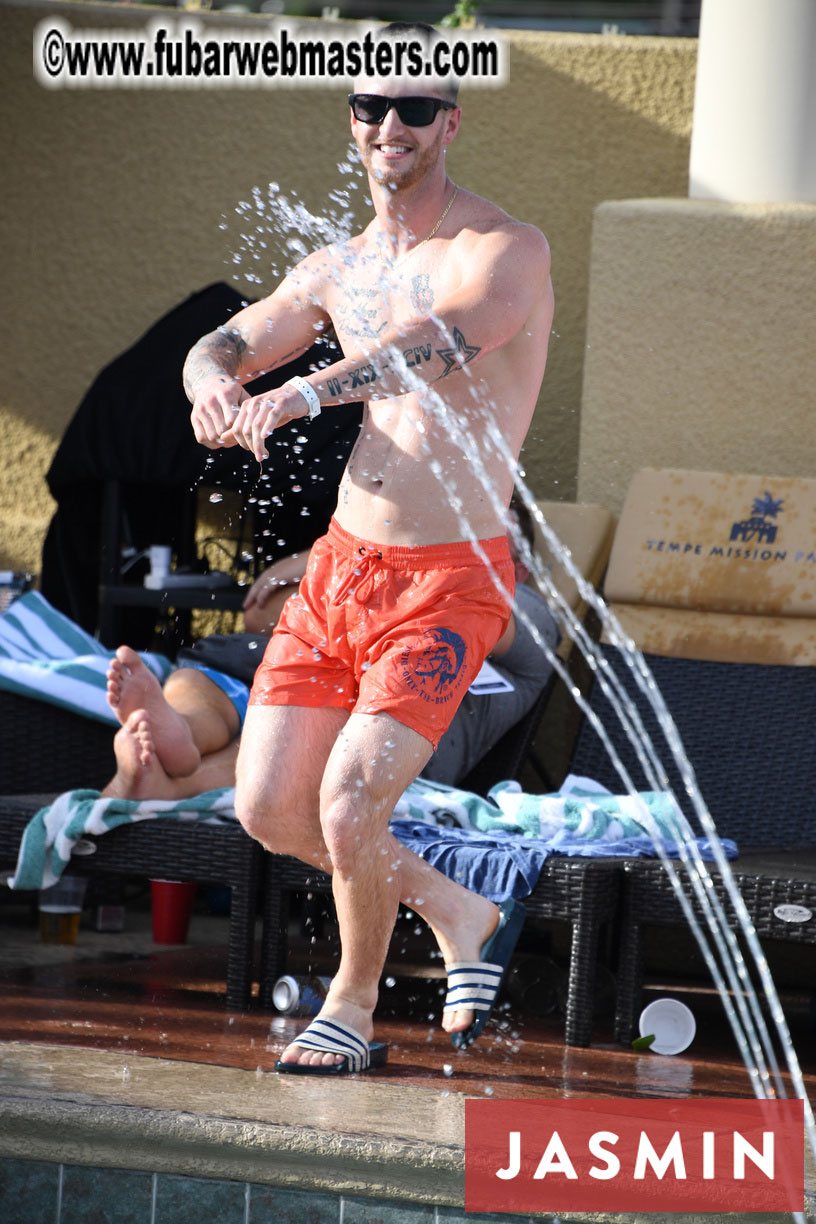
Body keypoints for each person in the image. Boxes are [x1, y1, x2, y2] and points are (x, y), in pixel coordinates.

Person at [181, 23, 554, 1074]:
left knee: (350, 802)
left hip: (450, 578)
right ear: (351, 121)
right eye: (371, 106)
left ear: (450, 123)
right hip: (342, 569)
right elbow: (231, 339)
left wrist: (302, 394)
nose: (391, 124)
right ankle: (456, 908)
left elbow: (429, 346)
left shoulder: (502, 249)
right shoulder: (338, 266)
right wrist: (211, 383)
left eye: (415, 108)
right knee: (269, 808)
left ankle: (349, 1009)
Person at [101, 504, 558, 803]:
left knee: (297, 734)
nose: (454, 551)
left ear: (516, 568)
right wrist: (337, 554)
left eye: (478, 544)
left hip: (376, 728)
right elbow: (261, 614)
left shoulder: (530, 614)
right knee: (202, 680)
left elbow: (454, 611)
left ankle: (170, 784)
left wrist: (356, 554)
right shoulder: (389, 571)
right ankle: (180, 733)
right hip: (272, 674)